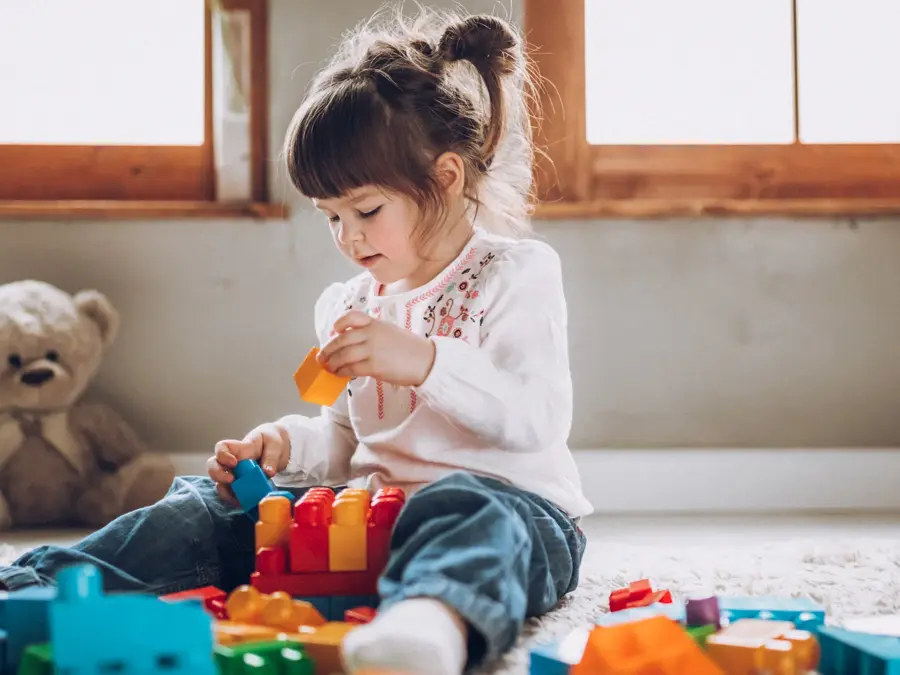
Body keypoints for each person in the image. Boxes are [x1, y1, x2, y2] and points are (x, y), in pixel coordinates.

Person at [0, 7, 592, 674]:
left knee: (469, 509)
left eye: (366, 210)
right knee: (202, 503)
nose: (348, 236)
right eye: (330, 216)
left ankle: (429, 624)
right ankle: (28, 590)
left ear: (447, 179)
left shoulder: (516, 272)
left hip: (512, 515)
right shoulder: (349, 303)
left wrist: (423, 360)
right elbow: (343, 441)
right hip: (368, 521)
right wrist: (285, 446)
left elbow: (534, 418)